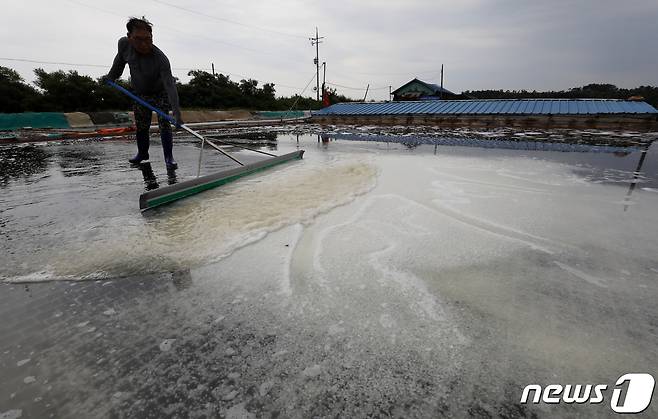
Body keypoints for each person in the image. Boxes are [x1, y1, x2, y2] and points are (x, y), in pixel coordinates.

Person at [105, 17, 182, 169]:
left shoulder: (161, 59)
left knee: (164, 124)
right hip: (139, 93)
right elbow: (119, 63)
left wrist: (177, 113)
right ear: (129, 37)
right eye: (138, 39)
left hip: (160, 93)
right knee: (141, 125)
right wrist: (111, 77)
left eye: (148, 39)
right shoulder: (124, 45)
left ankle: (169, 157)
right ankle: (142, 153)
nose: (144, 44)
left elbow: (169, 86)